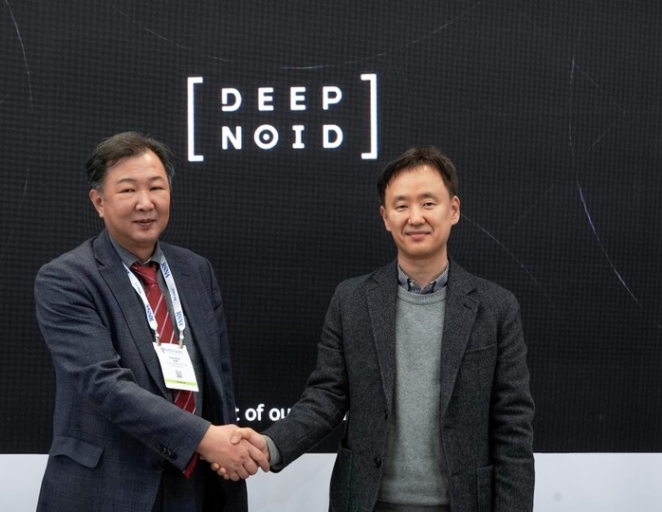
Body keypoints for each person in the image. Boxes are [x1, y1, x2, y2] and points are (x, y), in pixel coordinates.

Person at [225, 146, 535, 511]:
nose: (415, 217)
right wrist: (270, 445)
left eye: (428, 203)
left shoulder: (496, 307)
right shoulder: (352, 300)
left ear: (453, 210)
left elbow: (513, 427)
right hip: (367, 502)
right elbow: (326, 397)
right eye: (401, 205)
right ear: (386, 217)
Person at [35, 131, 267, 512]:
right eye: (128, 190)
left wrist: (226, 452)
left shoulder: (196, 271)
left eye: (156, 187)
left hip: (195, 487)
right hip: (108, 489)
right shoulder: (67, 278)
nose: (145, 203)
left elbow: (219, 382)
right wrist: (204, 438)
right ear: (98, 201)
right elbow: (105, 385)